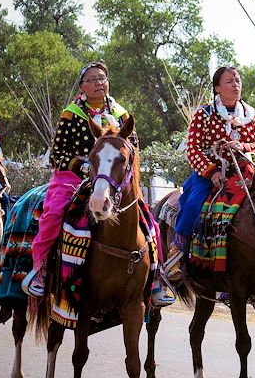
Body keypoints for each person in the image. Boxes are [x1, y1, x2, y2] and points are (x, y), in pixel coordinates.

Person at [24, 62, 174, 308]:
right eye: (92, 80)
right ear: (82, 86)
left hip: (114, 180)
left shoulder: (122, 115)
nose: (98, 83)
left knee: (150, 223)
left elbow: (134, 152)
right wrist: (83, 166)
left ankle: (157, 278)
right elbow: (57, 154)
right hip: (74, 177)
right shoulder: (71, 113)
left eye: (102, 79)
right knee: (53, 214)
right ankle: (40, 271)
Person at [164, 66, 255, 280]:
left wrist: (244, 147)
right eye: (229, 81)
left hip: (246, 170)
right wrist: (211, 172)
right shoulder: (204, 114)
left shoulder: (252, 115)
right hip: (210, 174)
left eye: (237, 80)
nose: (235, 85)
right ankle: (178, 252)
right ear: (218, 88)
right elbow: (192, 149)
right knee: (193, 204)